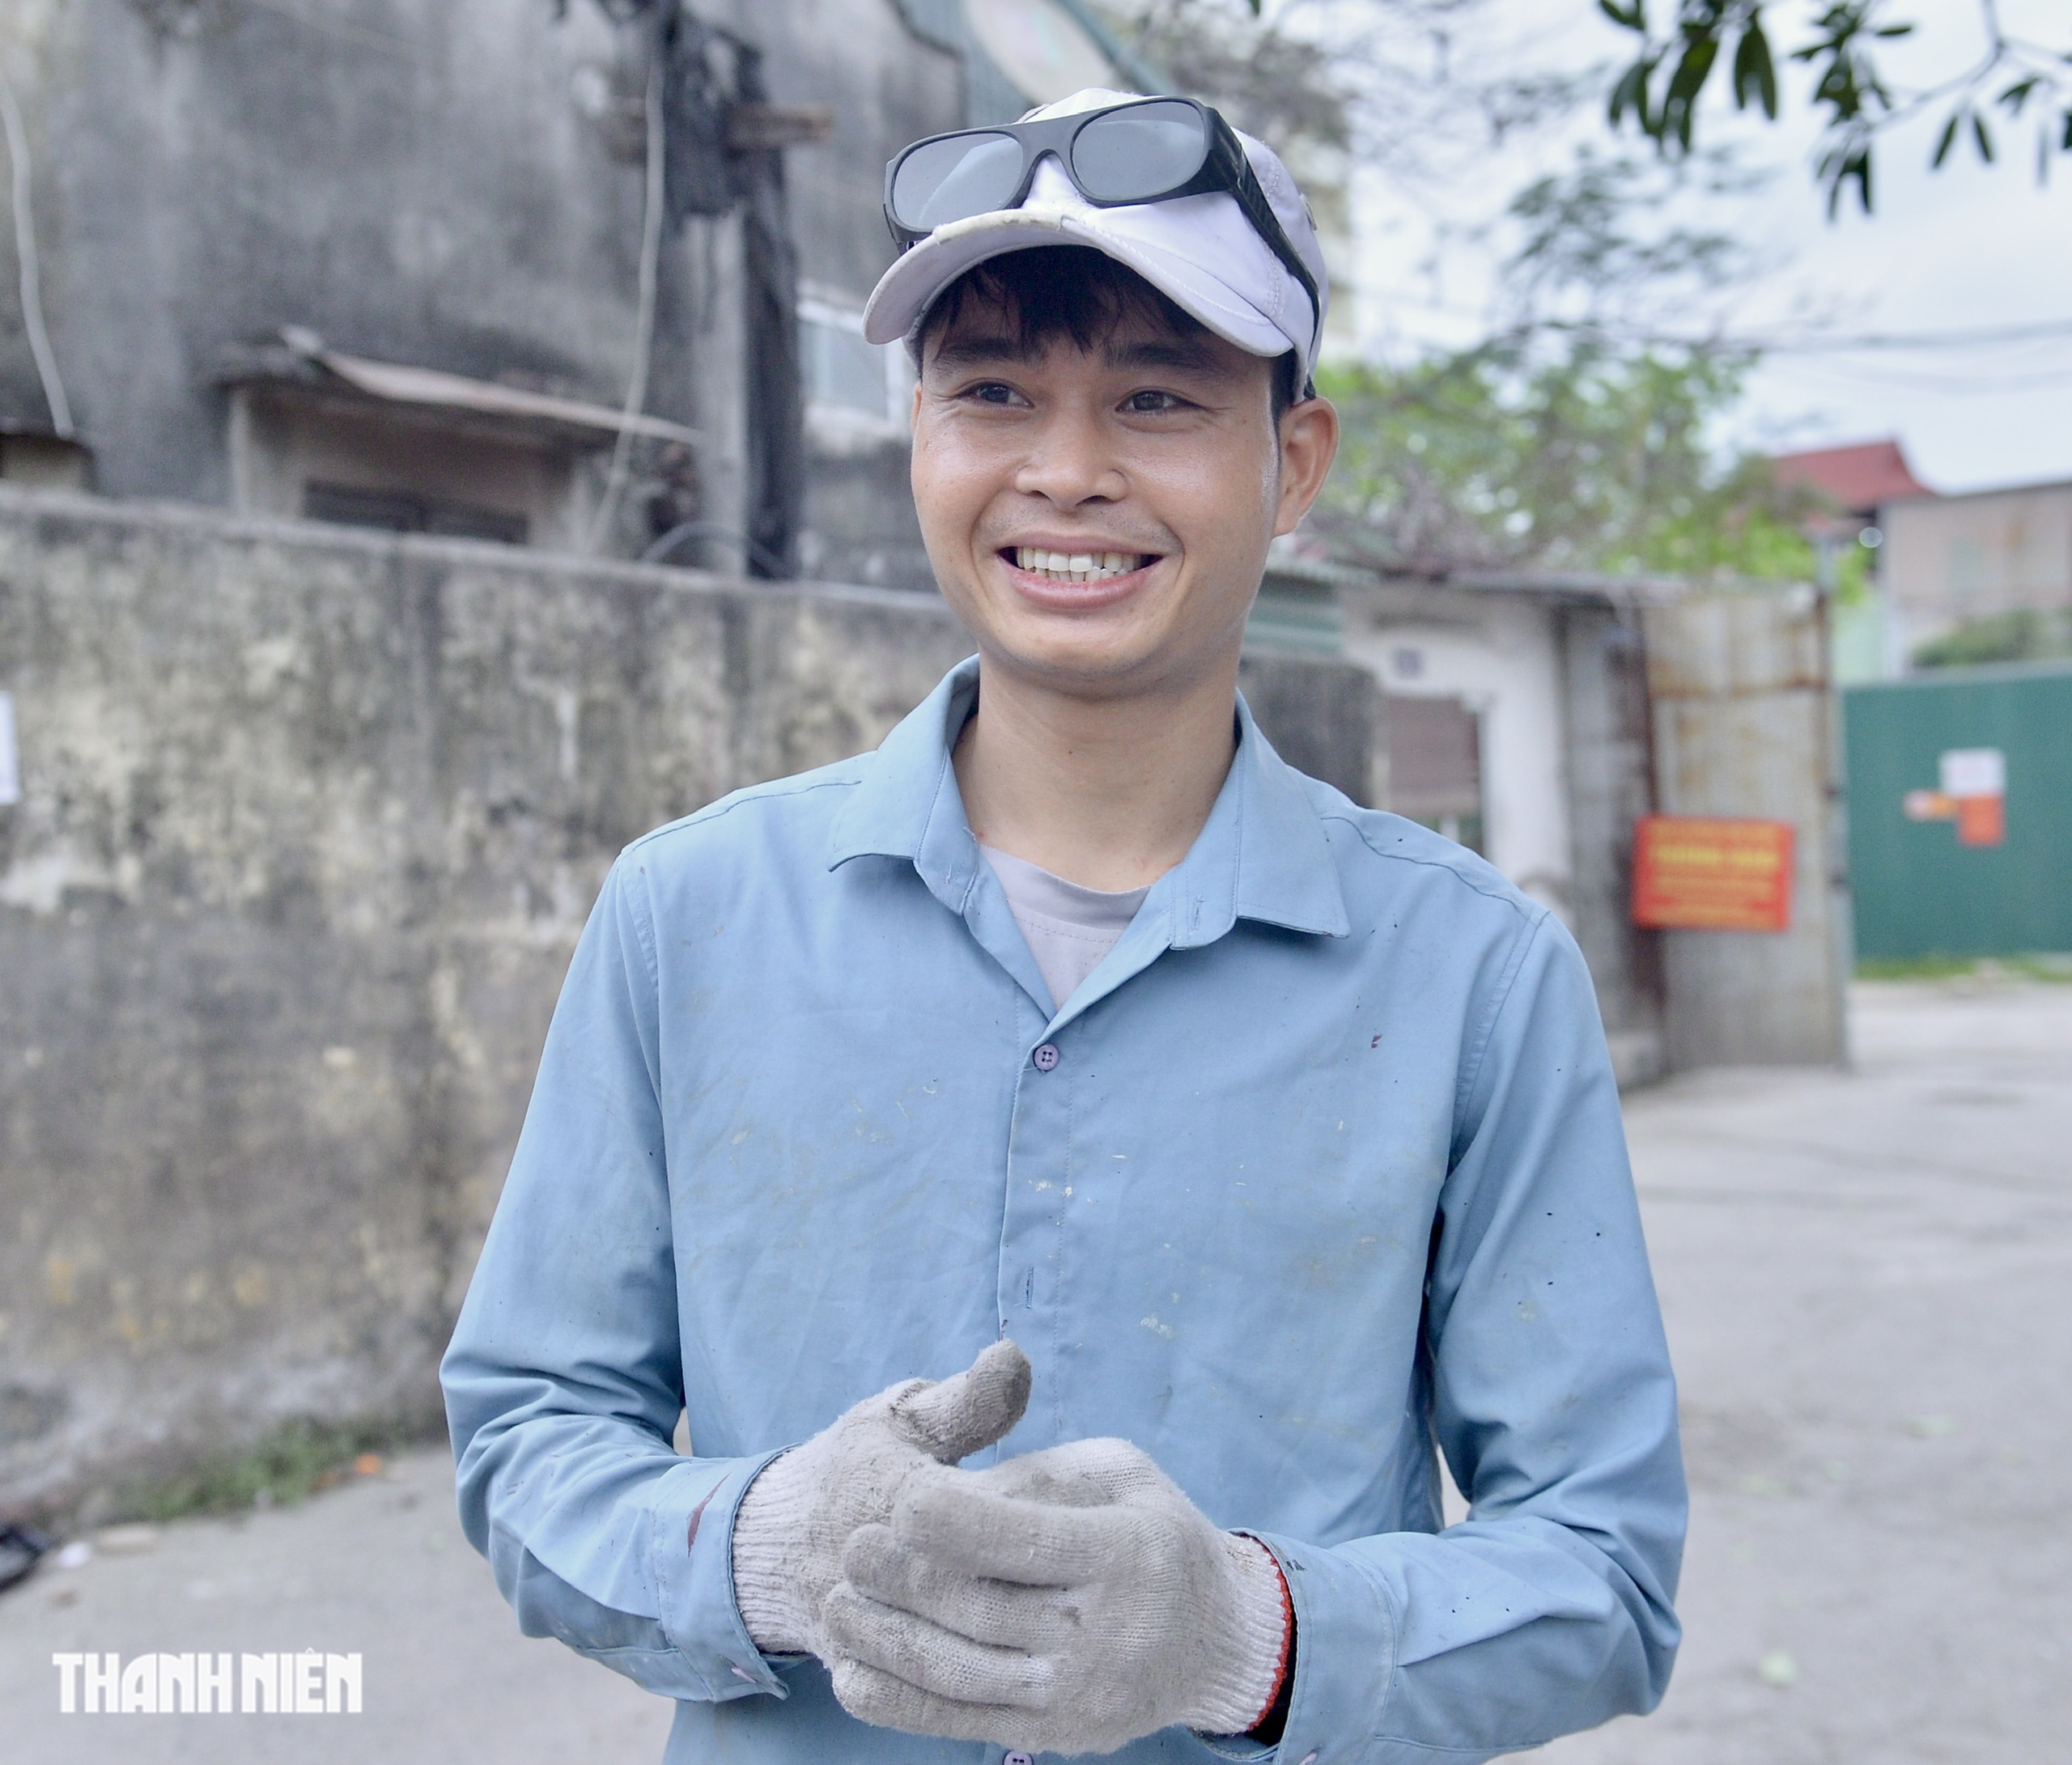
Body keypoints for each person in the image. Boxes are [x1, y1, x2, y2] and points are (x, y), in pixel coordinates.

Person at [442, 87, 1684, 1765]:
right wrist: (760, 1547)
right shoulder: (690, 915)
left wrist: (1239, 1633)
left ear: (1288, 460)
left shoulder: (1469, 971)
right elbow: (529, 1432)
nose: (1065, 470)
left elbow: (1602, 1571)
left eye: (1157, 397)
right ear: (920, 439)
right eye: (994, 393)